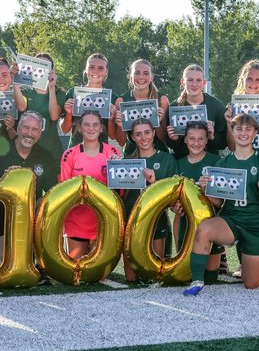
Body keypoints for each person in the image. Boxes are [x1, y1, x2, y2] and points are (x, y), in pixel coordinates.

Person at [185, 113, 259, 294]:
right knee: (205, 229)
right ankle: (196, 281)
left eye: (248, 129)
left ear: (255, 133)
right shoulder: (223, 163)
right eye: (238, 129)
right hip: (231, 219)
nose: (243, 133)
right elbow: (218, 203)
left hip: (256, 224)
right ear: (232, 131)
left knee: (251, 283)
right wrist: (206, 189)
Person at [0, 110, 57, 257]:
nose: (29, 133)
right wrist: (4, 180)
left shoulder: (45, 156)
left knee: (36, 268)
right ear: (18, 128)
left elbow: (52, 191)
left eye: (35, 129)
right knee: (8, 266)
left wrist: (33, 208)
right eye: (26, 127)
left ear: (40, 133)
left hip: (32, 221)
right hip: (2, 220)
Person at [119, 119, 178, 282]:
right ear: (133, 137)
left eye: (147, 132)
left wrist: (154, 183)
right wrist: (114, 173)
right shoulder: (125, 162)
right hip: (130, 221)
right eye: (138, 134)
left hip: (156, 221)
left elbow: (172, 198)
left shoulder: (167, 160)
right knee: (131, 278)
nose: (143, 138)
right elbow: (116, 196)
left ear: (153, 133)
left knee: (154, 275)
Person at [59, 110, 121, 259]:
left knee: (98, 275)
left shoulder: (112, 152)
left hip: (102, 221)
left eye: (95, 125)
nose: (91, 128)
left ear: (101, 128)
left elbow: (120, 191)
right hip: (77, 221)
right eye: (86, 124)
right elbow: (64, 190)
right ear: (79, 128)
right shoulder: (69, 154)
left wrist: (117, 168)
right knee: (76, 270)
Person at [173, 121, 223, 282]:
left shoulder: (216, 162)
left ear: (207, 140)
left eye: (201, 139)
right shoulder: (178, 163)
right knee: (186, 277)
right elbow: (173, 201)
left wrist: (206, 190)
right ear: (185, 140)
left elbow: (220, 203)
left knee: (210, 279)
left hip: (210, 225)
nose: (196, 143)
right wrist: (175, 207)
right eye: (192, 138)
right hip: (185, 226)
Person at [165, 63, 227, 157]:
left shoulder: (216, 107)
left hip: (210, 164)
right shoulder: (174, 108)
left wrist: (212, 137)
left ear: (204, 83)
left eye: (198, 80)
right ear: (183, 82)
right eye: (190, 80)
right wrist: (174, 139)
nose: (194, 84)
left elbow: (223, 143)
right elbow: (171, 145)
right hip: (182, 162)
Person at [112, 58, 170, 155]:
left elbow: (165, 139)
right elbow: (121, 142)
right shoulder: (121, 101)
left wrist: (158, 122)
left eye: (146, 73)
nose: (141, 77)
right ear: (130, 76)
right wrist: (119, 126)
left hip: (159, 157)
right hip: (132, 157)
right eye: (137, 73)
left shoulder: (162, 101)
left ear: (152, 77)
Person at [224, 59, 259, 156]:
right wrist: (229, 123)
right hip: (243, 160)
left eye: (258, 80)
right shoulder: (234, 106)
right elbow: (232, 147)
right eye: (249, 79)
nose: (253, 84)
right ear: (242, 79)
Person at [59, 52, 116, 146]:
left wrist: (111, 120)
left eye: (101, 68)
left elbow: (113, 136)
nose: (96, 71)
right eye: (91, 67)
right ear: (86, 70)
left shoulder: (112, 97)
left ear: (106, 71)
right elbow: (64, 130)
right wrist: (69, 114)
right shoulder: (73, 93)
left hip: (101, 152)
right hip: (76, 150)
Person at [21, 52, 70, 159]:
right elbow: (20, 107)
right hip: (29, 150)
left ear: (52, 71)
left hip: (52, 151)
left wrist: (51, 88)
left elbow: (54, 116)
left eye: (45, 66)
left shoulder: (59, 93)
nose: (41, 69)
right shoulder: (25, 91)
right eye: (38, 65)